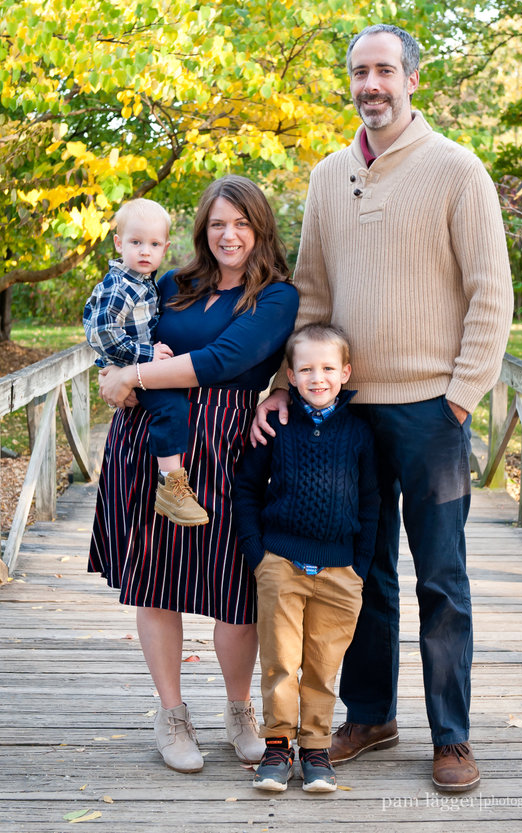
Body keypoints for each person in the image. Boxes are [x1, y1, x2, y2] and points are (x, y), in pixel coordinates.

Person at [251, 24, 514, 792]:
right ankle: (369, 713)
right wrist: (285, 385)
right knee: (356, 569)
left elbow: (491, 295)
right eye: (359, 71)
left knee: (441, 575)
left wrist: (461, 399)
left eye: (385, 71)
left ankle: (452, 736)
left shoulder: (457, 170)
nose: (371, 84)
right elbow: (315, 291)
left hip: (433, 408)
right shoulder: (331, 174)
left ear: (412, 80)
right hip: (348, 410)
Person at [89, 175, 299, 774]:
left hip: (230, 445)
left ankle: (239, 711)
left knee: (234, 589)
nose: (228, 234)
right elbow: (125, 337)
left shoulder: (276, 296)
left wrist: (134, 378)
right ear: (203, 230)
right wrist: (118, 373)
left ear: (260, 228)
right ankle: (173, 714)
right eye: (217, 223)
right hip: (155, 443)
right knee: (158, 578)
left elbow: (225, 360)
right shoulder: (171, 283)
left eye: (240, 222)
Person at [233, 323, 379, 793]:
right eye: (307, 369)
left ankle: (315, 750)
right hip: (281, 562)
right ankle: (277, 747)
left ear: (346, 372)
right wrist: (259, 554)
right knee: (279, 661)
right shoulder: (275, 425)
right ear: (290, 376)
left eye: (328, 368)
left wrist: (359, 563)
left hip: (340, 571)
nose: (318, 378)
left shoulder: (359, 432)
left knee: (321, 664)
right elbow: (247, 489)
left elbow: (373, 501)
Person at [83, 197, 208, 527]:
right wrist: (145, 356)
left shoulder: (147, 282)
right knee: (171, 408)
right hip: (132, 366)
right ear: (118, 243)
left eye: (154, 244)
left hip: (134, 368)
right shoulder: (119, 286)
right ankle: (172, 486)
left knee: (172, 406)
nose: (144, 251)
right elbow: (101, 332)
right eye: (136, 242)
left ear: (165, 247)